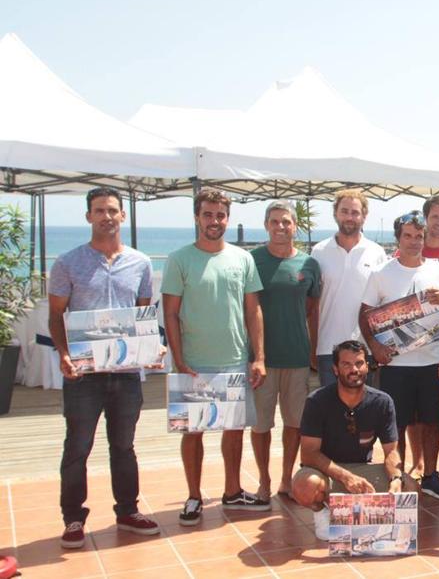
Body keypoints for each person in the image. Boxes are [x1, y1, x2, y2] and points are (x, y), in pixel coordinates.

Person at [48, 188, 161, 548]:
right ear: (88, 217)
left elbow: (143, 316)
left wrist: (148, 349)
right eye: (99, 211)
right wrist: (64, 354)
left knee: (124, 445)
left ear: (123, 216)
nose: (106, 216)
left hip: (126, 375)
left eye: (113, 210)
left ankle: (127, 511)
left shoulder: (141, 263)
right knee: (78, 446)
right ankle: (72, 518)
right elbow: (55, 316)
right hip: (84, 376)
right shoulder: (68, 262)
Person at [163, 189, 270, 525]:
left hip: (235, 359)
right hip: (192, 363)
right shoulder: (179, 259)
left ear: (228, 217)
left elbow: (254, 311)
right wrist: (179, 360)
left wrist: (259, 357)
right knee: (192, 432)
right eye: (208, 215)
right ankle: (194, 496)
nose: (214, 221)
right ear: (197, 217)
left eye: (220, 215)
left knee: (234, 429)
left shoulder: (243, 258)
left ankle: (232, 490)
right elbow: (170, 314)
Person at [358, 210, 439, 501]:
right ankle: (396, 476)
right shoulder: (381, 273)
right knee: (395, 426)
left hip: (431, 361)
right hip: (396, 364)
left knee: (431, 423)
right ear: (398, 238)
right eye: (408, 236)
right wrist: (374, 348)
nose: (414, 241)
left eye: (419, 236)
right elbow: (364, 316)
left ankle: (430, 476)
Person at [290, 341, 405, 540]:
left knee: (410, 487)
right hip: (327, 473)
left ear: (367, 366)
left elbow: (392, 451)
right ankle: (322, 512)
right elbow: (308, 453)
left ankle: (361, 515)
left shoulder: (382, 401)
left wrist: (396, 478)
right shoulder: (317, 401)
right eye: (346, 364)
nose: (354, 370)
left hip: (362, 470)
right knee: (304, 486)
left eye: (359, 363)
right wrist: (345, 477)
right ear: (335, 369)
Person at [250, 200, 322, 502]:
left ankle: (284, 479)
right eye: (274, 221)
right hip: (261, 361)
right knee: (261, 425)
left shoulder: (309, 264)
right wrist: (258, 355)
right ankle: (264, 481)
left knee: (294, 424)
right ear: (267, 225)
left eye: (286, 222)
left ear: (295, 226)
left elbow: (311, 308)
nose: (280, 227)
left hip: (296, 358)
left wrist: (313, 350)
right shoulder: (251, 260)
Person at [311, 189, 388, 385]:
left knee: (365, 413)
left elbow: (382, 304)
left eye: (355, 212)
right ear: (335, 213)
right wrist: (312, 348)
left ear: (364, 216)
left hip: (366, 350)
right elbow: (313, 302)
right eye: (344, 211)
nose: (349, 217)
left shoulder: (376, 252)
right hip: (327, 349)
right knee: (330, 413)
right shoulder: (318, 251)